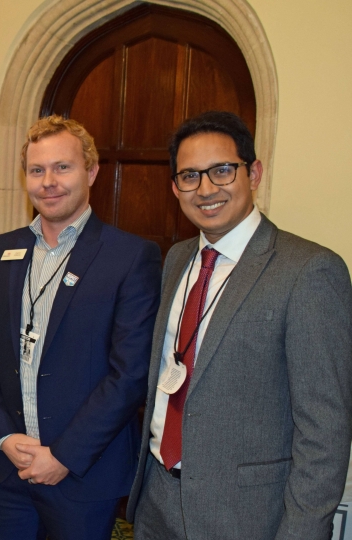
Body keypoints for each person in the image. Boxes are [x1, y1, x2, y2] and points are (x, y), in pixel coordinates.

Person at [126, 111, 352, 540]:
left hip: (247, 518)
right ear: (175, 187)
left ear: (255, 173)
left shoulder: (309, 271)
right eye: (190, 176)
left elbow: (325, 431)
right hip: (157, 504)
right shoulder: (176, 260)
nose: (206, 189)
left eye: (222, 171)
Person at [0, 115, 161, 539]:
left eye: (62, 167)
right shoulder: (1, 251)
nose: (48, 181)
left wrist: (64, 456)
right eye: (37, 170)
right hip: (7, 473)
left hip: (81, 477)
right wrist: (2, 437)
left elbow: (129, 374)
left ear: (91, 171)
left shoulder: (130, 257)